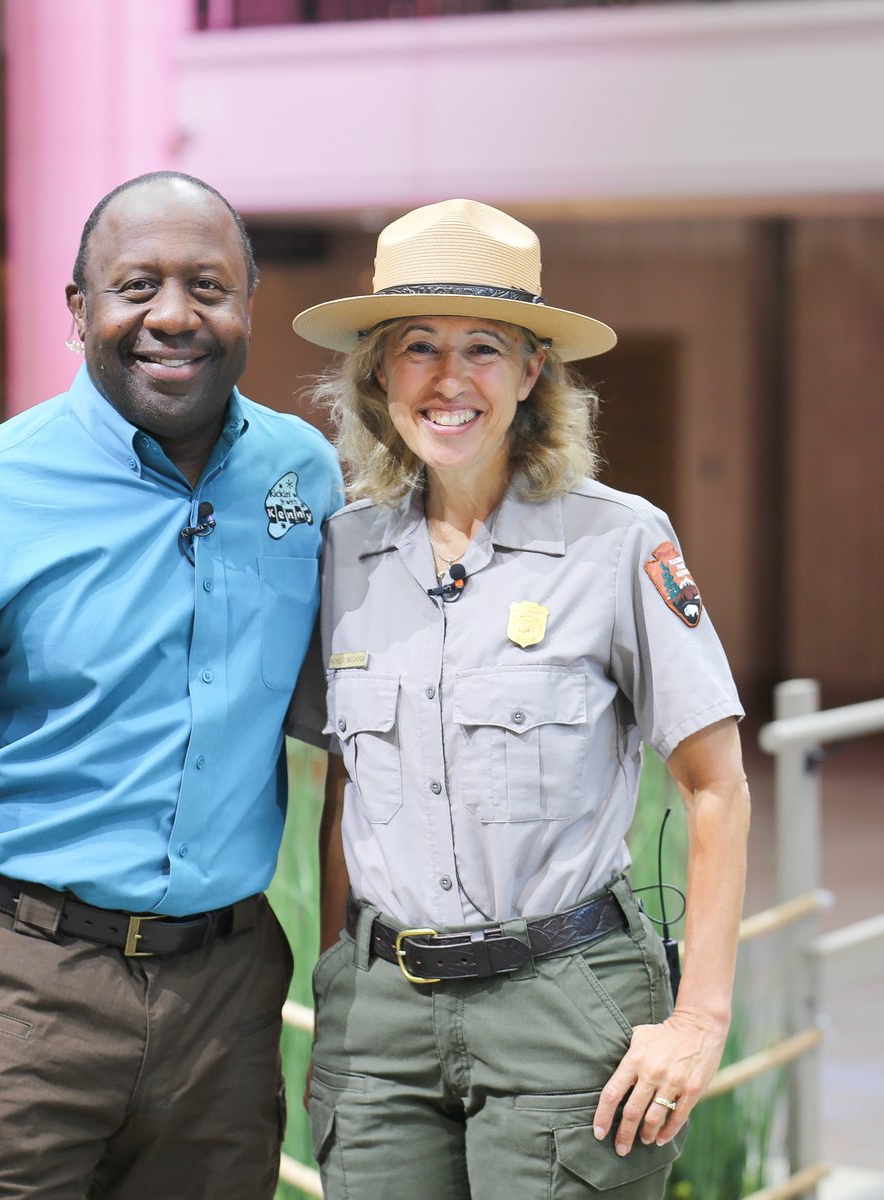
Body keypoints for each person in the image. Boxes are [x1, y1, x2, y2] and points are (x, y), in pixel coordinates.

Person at [0, 171, 342, 1200]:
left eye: (207, 285)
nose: (173, 315)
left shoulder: (305, 478)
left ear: (248, 305)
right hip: (20, 994)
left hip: (227, 1004)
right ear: (79, 311)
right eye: (136, 285)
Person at [292, 199, 750, 1199]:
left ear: (532, 372)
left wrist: (700, 1017)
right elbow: (344, 794)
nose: (449, 380)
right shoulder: (343, 553)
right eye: (418, 346)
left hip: (563, 1005)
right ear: (378, 370)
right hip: (382, 1023)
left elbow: (716, 787)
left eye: (484, 349)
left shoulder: (619, 543)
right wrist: (339, 979)